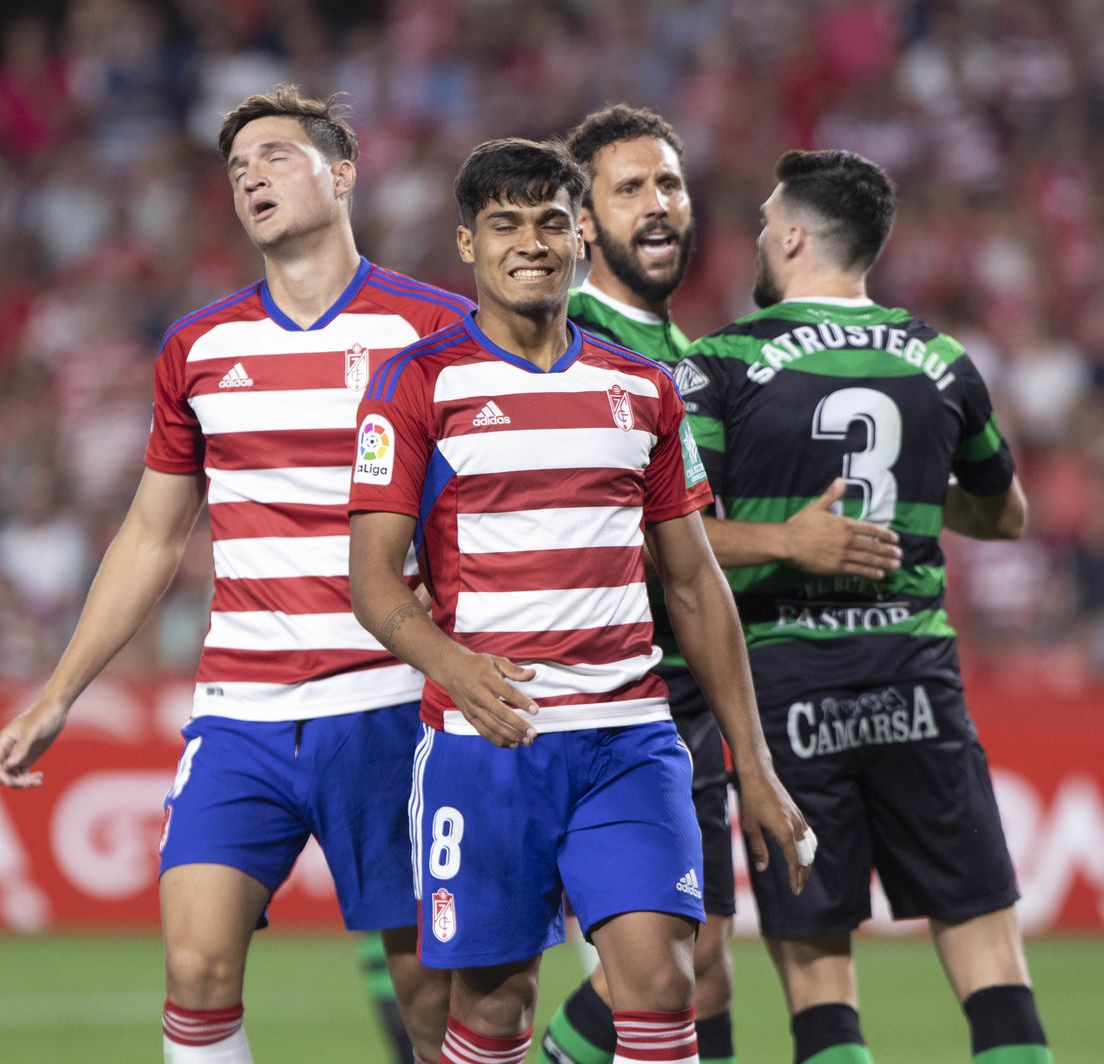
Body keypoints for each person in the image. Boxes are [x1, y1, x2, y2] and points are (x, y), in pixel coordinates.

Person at [0, 85, 472, 1064]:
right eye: (238, 164)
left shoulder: (439, 330)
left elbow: (483, 520)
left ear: (342, 173)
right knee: (197, 968)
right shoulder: (199, 347)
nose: (251, 173)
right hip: (241, 711)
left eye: (277, 154)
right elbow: (151, 536)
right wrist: (58, 690)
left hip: (393, 707)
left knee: (433, 1000)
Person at [346, 136, 812, 1064]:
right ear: (468, 244)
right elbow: (370, 579)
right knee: (492, 1010)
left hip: (628, 739)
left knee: (662, 983)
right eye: (506, 224)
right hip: (487, 746)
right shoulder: (416, 384)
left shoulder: (639, 389)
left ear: (581, 239)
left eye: (553, 222)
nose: (532, 241)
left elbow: (693, 582)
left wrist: (753, 767)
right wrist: (455, 669)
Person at [675, 149, 1051, 1064]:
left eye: (766, 224)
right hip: (917, 679)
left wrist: (784, 538)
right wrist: (912, 498)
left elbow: (670, 541)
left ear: (797, 234)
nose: (759, 238)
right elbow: (1007, 515)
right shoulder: (943, 361)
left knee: (818, 974)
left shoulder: (727, 363)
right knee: (987, 950)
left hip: (788, 690)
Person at [541, 104, 900, 1064]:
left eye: (669, 184)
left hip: (684, 694)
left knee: (698, 968)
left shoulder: (681, 354)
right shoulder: (567, 344)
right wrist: (791, 541)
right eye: (629, 190)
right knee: (649, 968)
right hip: (599, 697)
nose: (658, 207)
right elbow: (655, 540)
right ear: (581, 223)